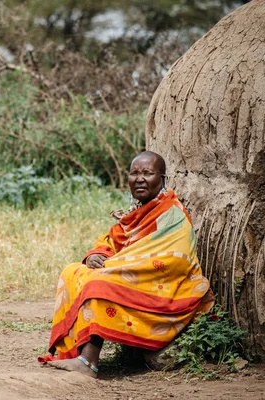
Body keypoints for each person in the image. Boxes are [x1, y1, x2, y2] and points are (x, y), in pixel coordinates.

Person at [38, 151, 214, 378]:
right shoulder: (137, 212)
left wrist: (115, 265)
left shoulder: (173, 214)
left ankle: (88, 362)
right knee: (73, 272)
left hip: (163, 284)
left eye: (148, 173)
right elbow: (111, 241)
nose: (139, 179)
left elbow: (176, 260)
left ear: (162, 179)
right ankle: (78, 352)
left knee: (98, 284)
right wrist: (96, 255)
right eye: (134, 173)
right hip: (130, 274)